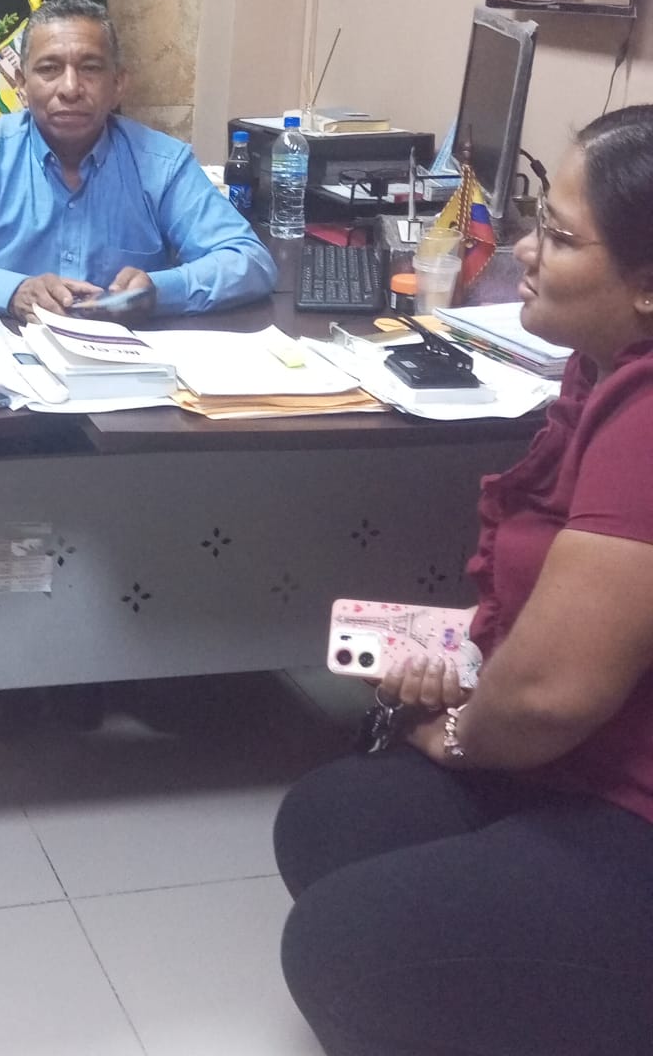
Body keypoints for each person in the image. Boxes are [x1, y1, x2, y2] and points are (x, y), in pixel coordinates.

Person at [273, 104, 653, 1056]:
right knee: (330, 821)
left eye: (558, 237)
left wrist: (456, 737)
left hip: (633, 799)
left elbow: (555, 694)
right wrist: (472, 669)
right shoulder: (601, 370)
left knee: (342, 948)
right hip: (597, 752)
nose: (524, 250)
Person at [0, 0, 276, 321]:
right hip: (1, 355)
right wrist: (11, 291)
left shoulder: (162, 164)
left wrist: (161, 291)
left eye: (90, 68)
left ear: (118, 84)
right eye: (49, 69)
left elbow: (249, 260)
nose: (70, 88)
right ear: (21, 85)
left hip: (128, 357)